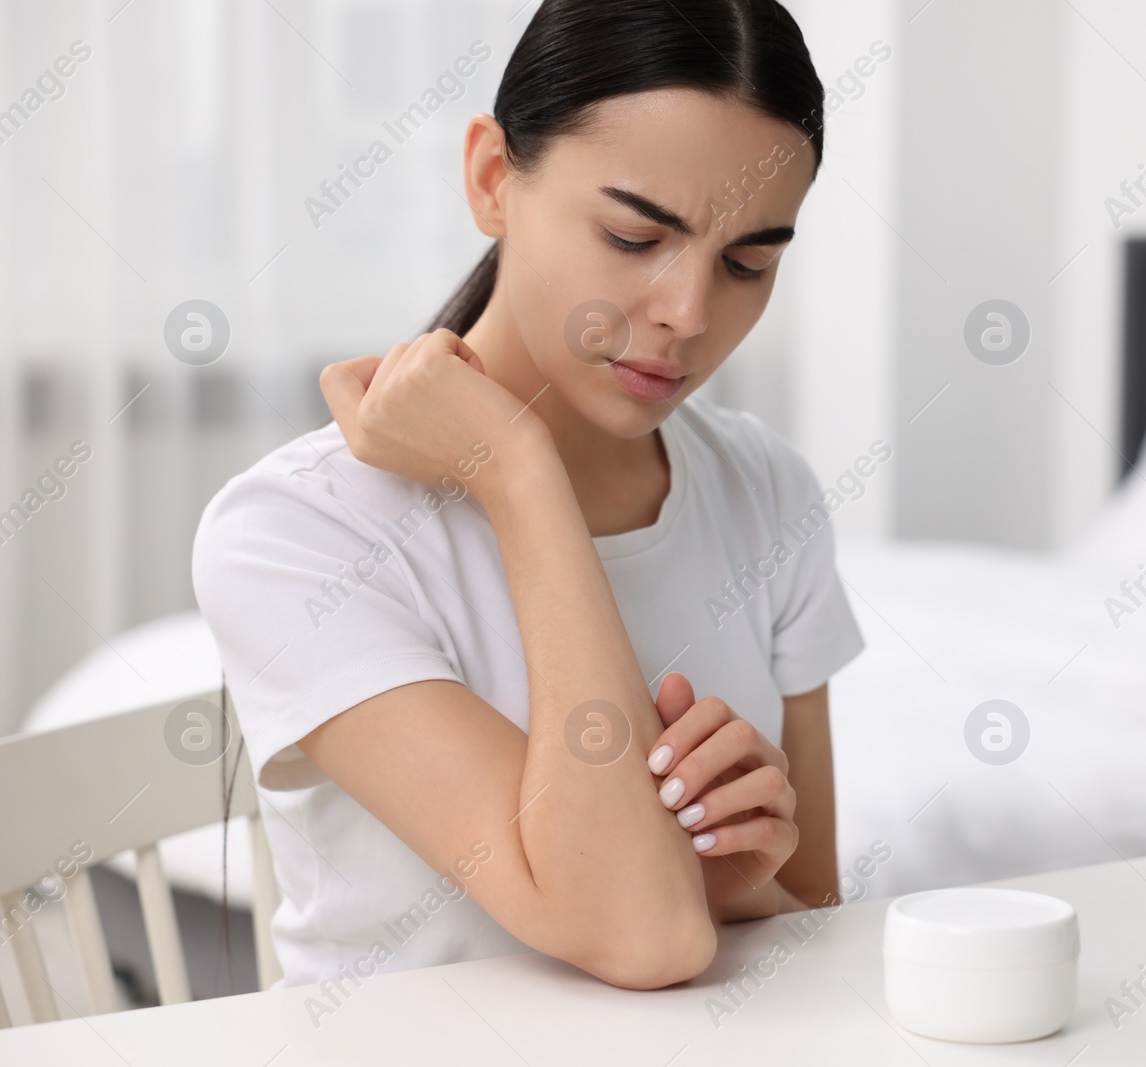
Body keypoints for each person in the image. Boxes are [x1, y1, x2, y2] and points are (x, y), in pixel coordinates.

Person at [191, 0, 864, 993]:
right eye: (635, 236)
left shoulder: (766, 491)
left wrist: (731, 884)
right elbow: (644, 939)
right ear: (492, 178)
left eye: (747, 262)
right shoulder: (295, 533)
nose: (687, 312)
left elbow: (812, 912)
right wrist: (519, 474)